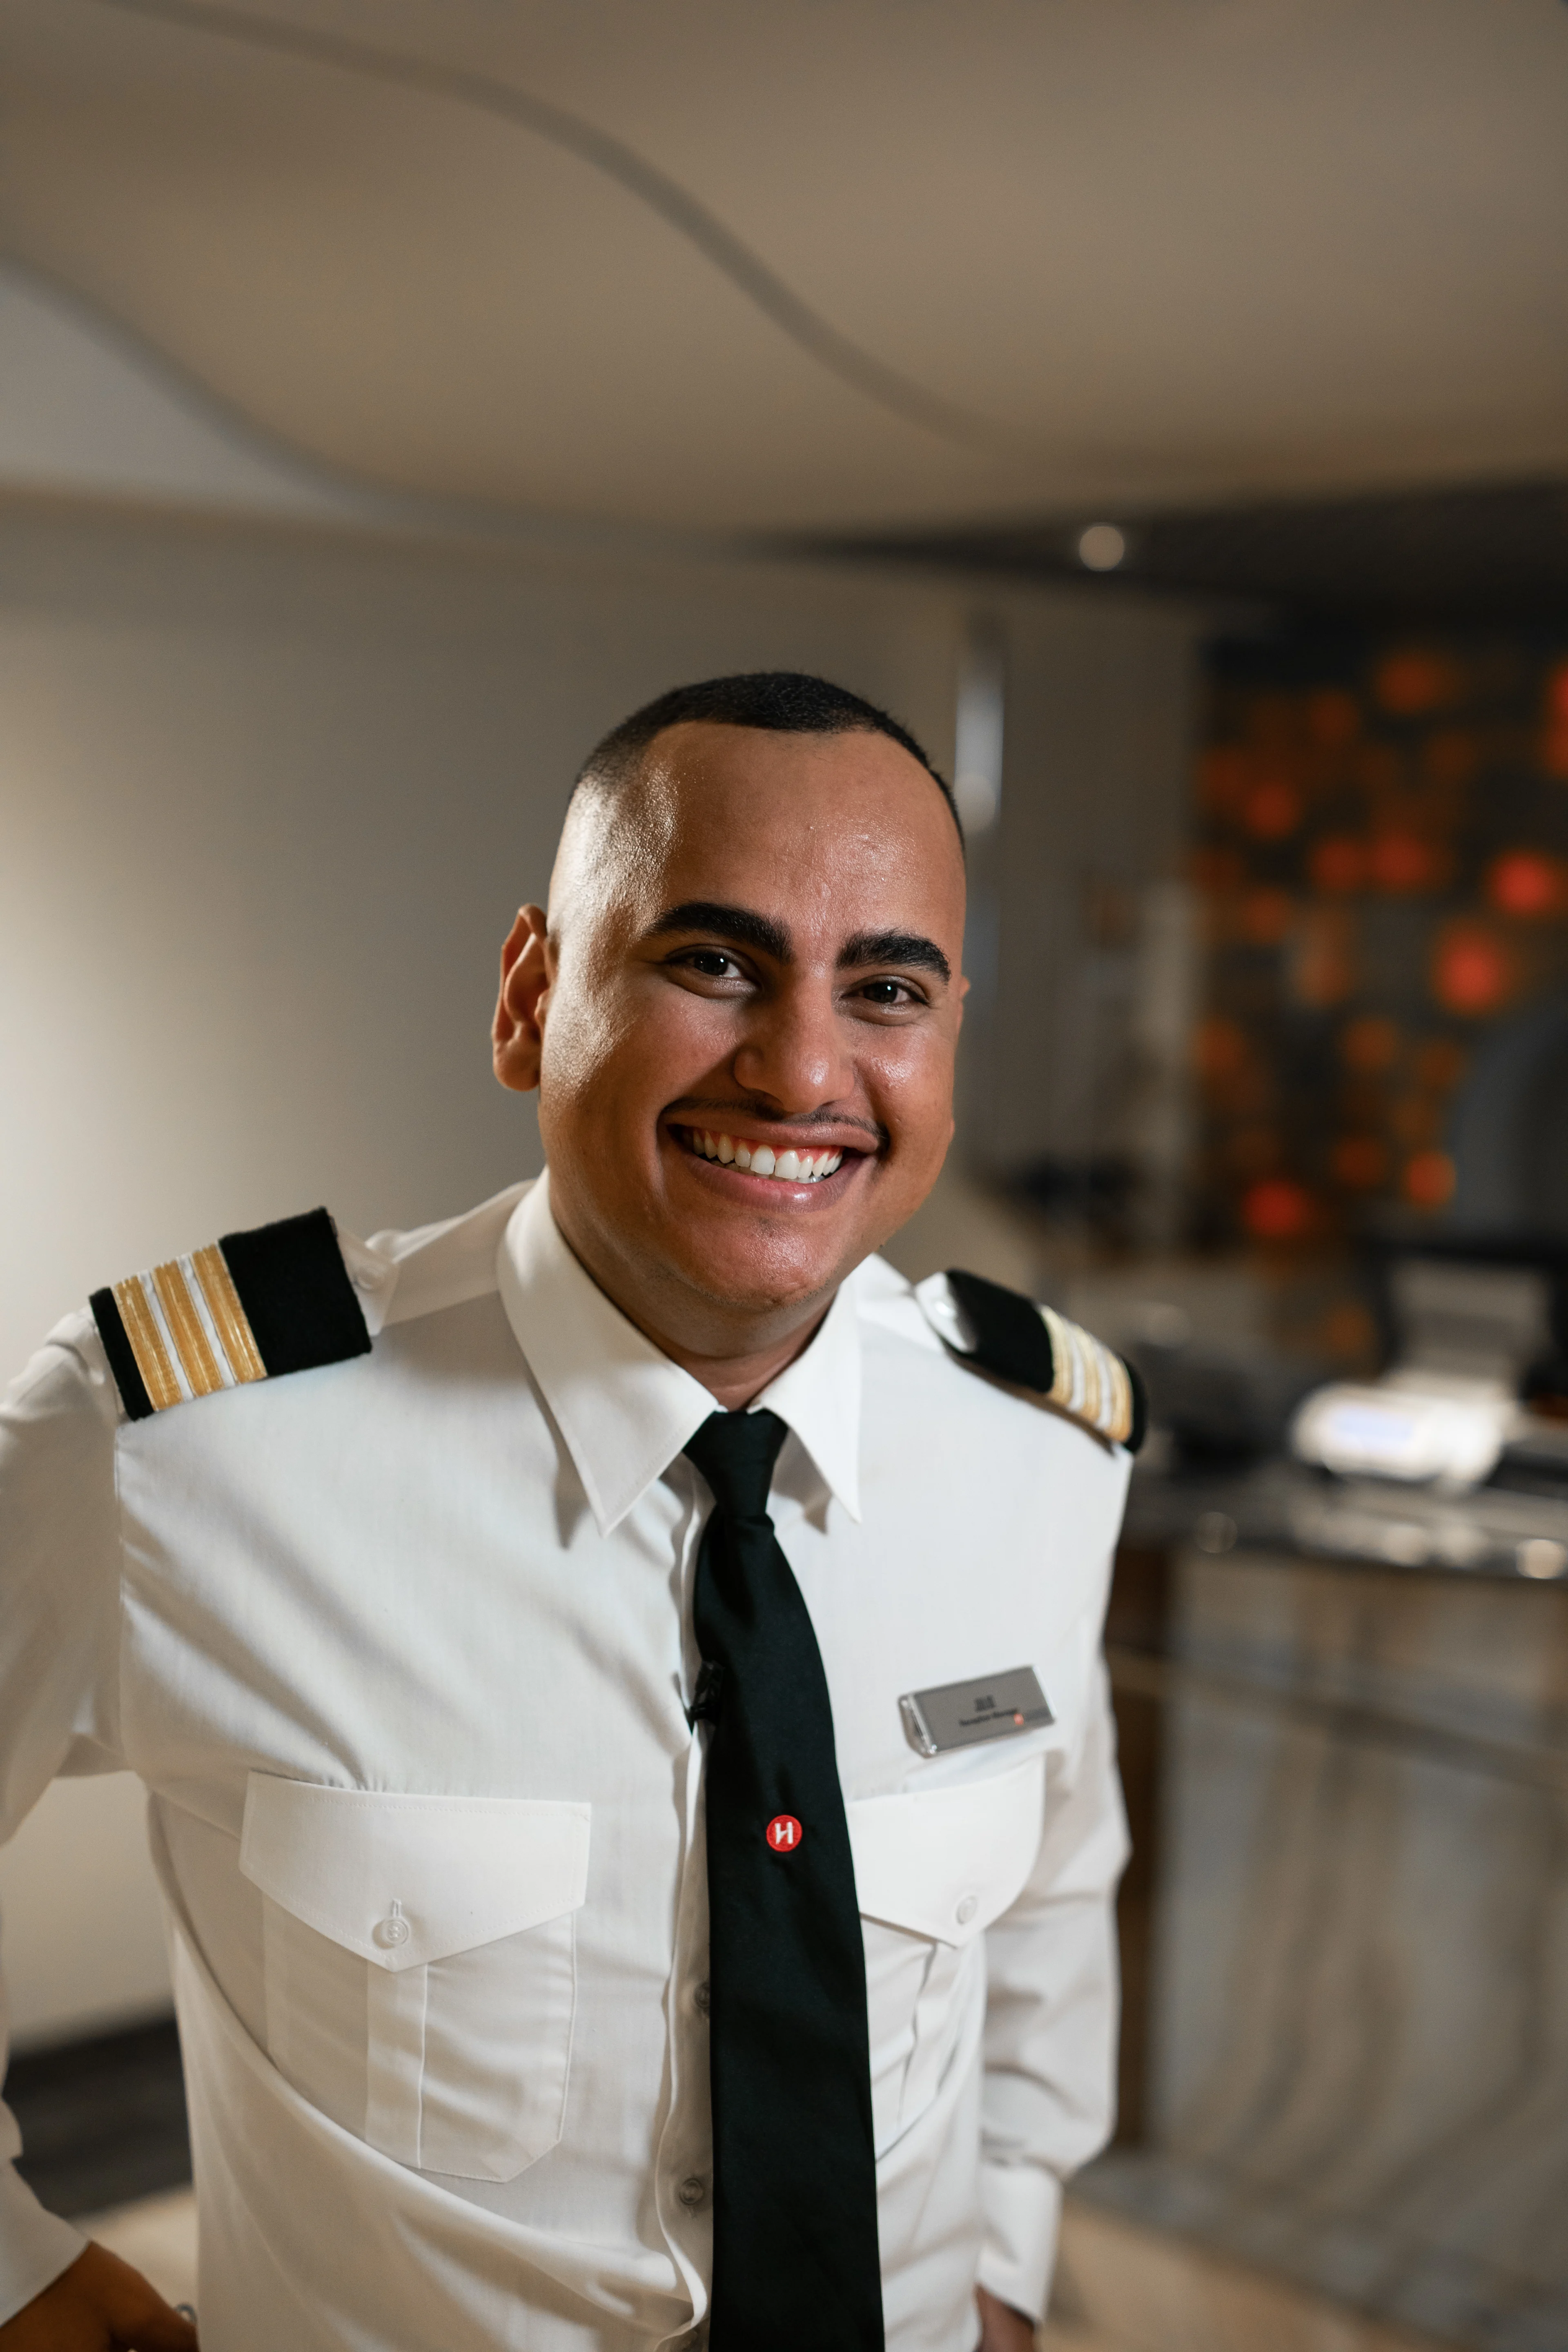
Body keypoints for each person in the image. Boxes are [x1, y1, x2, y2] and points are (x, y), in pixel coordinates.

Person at [0, 672, 1139, 2352]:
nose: (802, 1068)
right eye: (715, 963)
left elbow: (1048, 1884)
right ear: (533, 994)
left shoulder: (1036, 1445)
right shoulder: (179, 1446)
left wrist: (1007, 2251)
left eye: (884, 986)